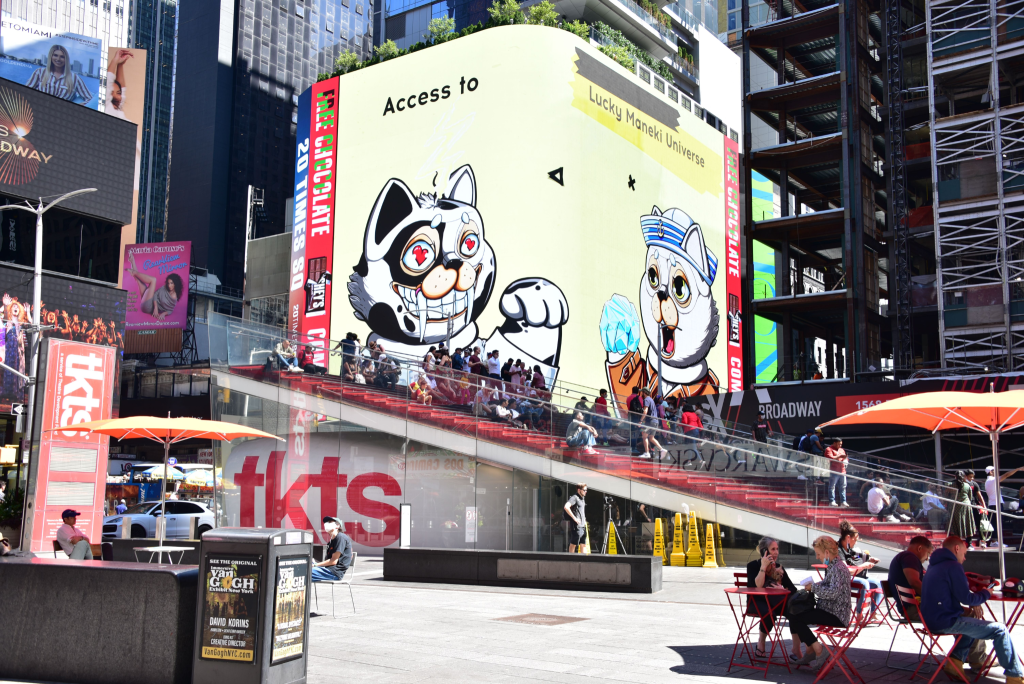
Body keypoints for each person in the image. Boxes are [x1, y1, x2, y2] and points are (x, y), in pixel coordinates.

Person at [921, 535, 1024, 683]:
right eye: (964, 554)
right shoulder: (953, 566)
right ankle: (1014, 676)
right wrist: (985, 593)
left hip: (931, 620)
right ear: (957, 548)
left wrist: (972, 601)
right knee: (1000, 630)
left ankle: (955, 663)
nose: (964, 558)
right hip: (945, 621)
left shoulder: (933, 566)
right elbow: (966, 598)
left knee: (971, 620)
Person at [790, 536, 851, 668]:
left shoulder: (837, 568)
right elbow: (829, 585)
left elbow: (833, 593)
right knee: (794, 614)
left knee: (795, 616)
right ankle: (811, 649)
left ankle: (817, 650)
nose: (817, 557)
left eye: (818, 554)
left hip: (836, 615)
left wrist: (814, 587)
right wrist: (816, 585)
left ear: (827, 552)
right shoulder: (835, 566)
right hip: (832, 611)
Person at [746, 536, 798, 660]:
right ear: (765, 551)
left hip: (776, 602)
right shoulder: (753, 566)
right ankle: (761, 642)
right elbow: (757, 587)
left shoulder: (779, 567)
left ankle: (796, 649)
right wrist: (763, 567)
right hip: (756, 601)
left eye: (777, 549)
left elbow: (793, 588)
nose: (776, 552)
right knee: (769, 614)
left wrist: (782, 589)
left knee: (795, 612)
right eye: (773, 549)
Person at [838, 520, 881, 617]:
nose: (856, 543)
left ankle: (874, 613)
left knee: (877, 583)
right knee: (863, 583)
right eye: (855, 540)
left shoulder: (849, 548)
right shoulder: (838, 550)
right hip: (841, 579)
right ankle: (859, 613)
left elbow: (856, 557)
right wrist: (864, 565)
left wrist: (869, 559)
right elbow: (846, 570)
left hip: (853, 576)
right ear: (848, 538)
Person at [26, 44, 93, 104]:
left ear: (66, 59)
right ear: (51, 57)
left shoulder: (75, 78)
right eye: (55, 55)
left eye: (62, 57)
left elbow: (90, 99)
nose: (58, 59)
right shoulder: (39, 72)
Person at [126, 253, 183, 322]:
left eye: (172, 283)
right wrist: (156, 307)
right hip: (149, 301)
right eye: (168, 283)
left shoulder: (174, 297)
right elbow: (156, 294)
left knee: (153, 280)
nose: (169, 285)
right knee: (139, 281)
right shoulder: (165, 287)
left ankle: (134, 272)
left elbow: (171, 310)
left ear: (176, 284)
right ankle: (132, 261)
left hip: (148, 307)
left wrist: (163, 314)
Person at [887, 535, 933, 619]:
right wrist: (934, 596)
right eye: (928, 553)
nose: (927, 558)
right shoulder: (910, 557)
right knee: (952, 612)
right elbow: (914, 582)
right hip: (913, 609)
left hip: (910, 607)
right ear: (920, 548)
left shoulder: (905, 556)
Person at [311, 517, 352, 582]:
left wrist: (315, 565)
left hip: (334, 573)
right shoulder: (331, 541)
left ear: (337, 526)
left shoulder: (340, 537)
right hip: (328, 569)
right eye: (326, 522)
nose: (327, 524)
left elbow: (333, 561)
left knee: (305, 572)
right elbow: (329, 560)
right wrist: (315, 562)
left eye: (330, 522)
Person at [949, 470, 980, 546]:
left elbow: (946, 495)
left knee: (955, 525)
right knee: (968, 523)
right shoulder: (967, 485)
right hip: (966, 506)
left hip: (955, 506)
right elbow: (970, 497)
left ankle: (956, 543)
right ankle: (969, 543)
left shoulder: (950, 485)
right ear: (964, 477)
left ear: (955, 477)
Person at [105, 48, 133, 119]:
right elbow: (108, 81)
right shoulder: (106, 107)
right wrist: (115, 60)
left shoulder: (118, 112)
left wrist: (120, 64)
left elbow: (122, 89)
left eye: (118, 93)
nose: (115, 96)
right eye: (111, 93)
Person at [639, 388, 668, 459]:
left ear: (644, 393)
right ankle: (662, 449)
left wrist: (641, 421)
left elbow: (645, 411)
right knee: (651, 438)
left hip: (650, 421)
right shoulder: (651, 400)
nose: (641, 393)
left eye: (642, 392)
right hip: (655, 421)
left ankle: (647, 453)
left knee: (644, 437)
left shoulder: (646, 400)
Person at [825, 438, 849, 507]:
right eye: (839, 444)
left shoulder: (842, 450)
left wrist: (846, 460)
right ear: (834, 443)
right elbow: (830, 458)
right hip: (834, 470)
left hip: (842, 470)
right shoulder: (829, 449)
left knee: (843, 487)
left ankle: (843, 501)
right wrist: (840, 456)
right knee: (832, 486)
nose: (840, 446)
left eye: (841, 444)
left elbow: (845, 458)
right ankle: (832, 501)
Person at [564, 483, 588, 552]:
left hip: (582, 525)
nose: (586, 491)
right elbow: (566, 507)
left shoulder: (582, 498)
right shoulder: (574, 497)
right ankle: (571, 558)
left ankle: (583, 558)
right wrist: (575, 518)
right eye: (584, 490)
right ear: (579, 490)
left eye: (586, 490)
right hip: (576, 526)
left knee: (583, 544)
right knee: (573, 544)